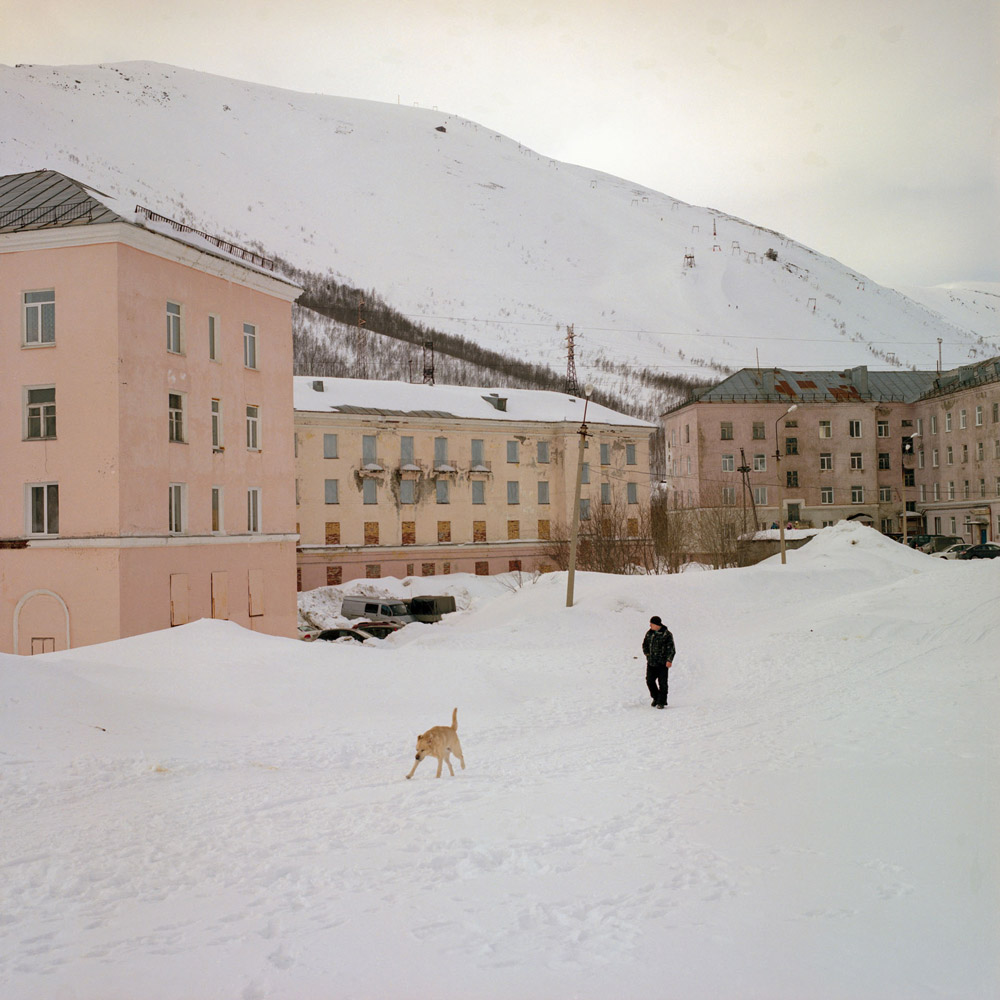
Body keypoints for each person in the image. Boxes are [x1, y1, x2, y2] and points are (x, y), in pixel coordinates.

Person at [642, 615, 675, 709]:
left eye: (651, 624)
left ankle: (662, 701)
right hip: (651, 662)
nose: (650, 625)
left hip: (662, 663)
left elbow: (672, 649)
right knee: (649, 681)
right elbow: (645, 644)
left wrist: (669, 660)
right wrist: (647, 654)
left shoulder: (667, 634)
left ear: (657, 625)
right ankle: (656, 697)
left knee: (663, 683)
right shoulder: (649, 633)